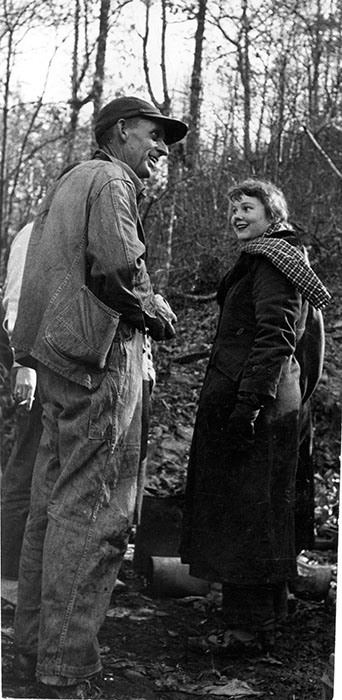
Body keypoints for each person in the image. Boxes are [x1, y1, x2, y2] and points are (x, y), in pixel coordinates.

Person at [11, 95, 187, 699]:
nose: (161, 149)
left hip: (57, 362)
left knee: (51, 509)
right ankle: (65, 671)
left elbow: (38, 280)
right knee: (96, 518)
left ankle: (32, 649)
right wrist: (155, 312)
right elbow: (117, 270)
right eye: (153, 135)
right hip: (99, 364)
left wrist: (30, 353)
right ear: (118, 134)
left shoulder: (68, 182)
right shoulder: (112, 179)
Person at [180, 178, 329, 654]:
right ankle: (264, 617)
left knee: (246, 516)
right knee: (259, 514)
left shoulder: (274, 262)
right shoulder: (275, 259)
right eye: (234, 209)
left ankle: (246, 632)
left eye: (248, 207)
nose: (237, 216)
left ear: (273, 214)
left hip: (257, 406)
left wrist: (250, 406)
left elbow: (277, 338)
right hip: (268, 401)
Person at [1, 223, 43, 607]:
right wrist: (23, 364)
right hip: (34, 359)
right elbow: (16, 297)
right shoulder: (35, 232)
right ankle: (8, 573)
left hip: (55, 359)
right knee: (25, 460)